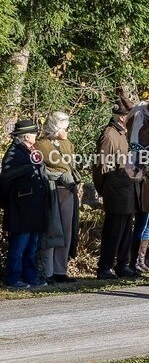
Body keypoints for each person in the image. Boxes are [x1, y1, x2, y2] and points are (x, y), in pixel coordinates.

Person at [0, 120, 50, 288]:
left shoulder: (31, 150)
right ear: (25, 136)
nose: (36, 135)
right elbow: (6, 177)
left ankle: (31, 276)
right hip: (21, 207)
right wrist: (28, 168)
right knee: (19, 245)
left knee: (32, 245)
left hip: (34, 206)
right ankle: (13, 278)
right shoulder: (14, 152)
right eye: (33, 133)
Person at [93, 103, 140, 279]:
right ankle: (104, 267)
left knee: (126, 230)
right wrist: (103, 189)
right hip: (115, 190)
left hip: (128, 190)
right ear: (122, 117)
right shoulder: (109, 135)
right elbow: (100, 167)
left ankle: (122, 265)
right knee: (113, 230)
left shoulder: (124, 134)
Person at [35, 112, 80, 283]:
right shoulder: (40, 145)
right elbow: (40, 169)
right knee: (51, 231)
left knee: (67, 231)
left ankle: (61, 270)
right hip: (50, 191)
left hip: (67, 191)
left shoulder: (68, 144)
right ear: (57, 128)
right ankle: (48, 271)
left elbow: (71, 166)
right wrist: (58, 175)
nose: (68, 130)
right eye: (65, 127)